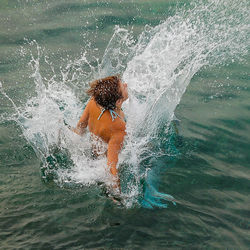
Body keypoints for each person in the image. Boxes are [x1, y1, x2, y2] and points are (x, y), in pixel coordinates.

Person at [72, 75, 128, 191]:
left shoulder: (94, 100)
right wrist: (117, 194)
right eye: (123, 86)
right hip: (100, 159)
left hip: (93, 147)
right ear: (118, 102)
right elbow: (111, 166)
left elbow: (81, 126)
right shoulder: (118, 127)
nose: (126, 84)